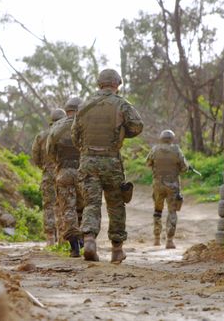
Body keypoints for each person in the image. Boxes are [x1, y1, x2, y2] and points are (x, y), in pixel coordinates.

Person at [71, 69, 143, 263]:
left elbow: (74, 135)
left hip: (88, 162)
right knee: (116, 204)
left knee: (91, 204)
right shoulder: (121, 104)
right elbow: (137, 126)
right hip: (111, 161)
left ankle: (89, 240)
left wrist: (87, 151)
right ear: (117, 84)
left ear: (99, 84)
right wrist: (120, 133)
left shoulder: (84, 106)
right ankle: (117, 249)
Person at [46, 97, 84, 257]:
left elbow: (50, 152)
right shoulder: (85, 125)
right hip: (83, 172)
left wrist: (61, 164)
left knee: (68, 209)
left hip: (64, 172)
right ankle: (85, 239)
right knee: (84, 208)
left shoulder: (56, 128)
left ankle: (74, 246)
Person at [146, 129, 189, 249]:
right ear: (172, 139)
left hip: (158, 185)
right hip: (172, 186)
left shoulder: (155, 149)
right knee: (172, 212)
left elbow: (148, 163)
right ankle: (169, 240)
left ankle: (156, 239)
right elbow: (184, 168)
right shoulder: (176, 150)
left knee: (157, 211)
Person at [31, 108, 66, 246]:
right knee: (65, 204)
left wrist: (45, 167)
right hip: (64, 172)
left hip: (48, 173)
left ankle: (50, 238)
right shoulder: (67, 133)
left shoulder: (41, 136)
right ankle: (64, 237)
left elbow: (35, 156)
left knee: (48, 206)